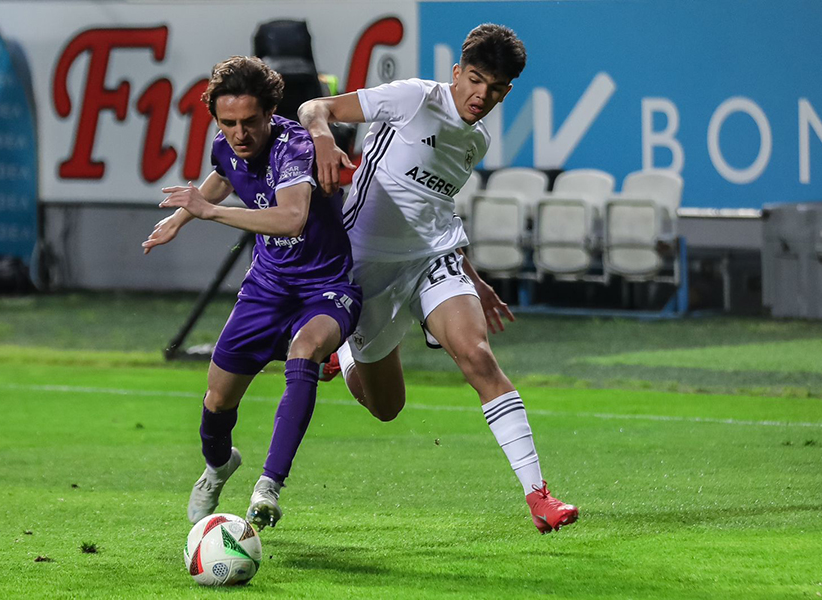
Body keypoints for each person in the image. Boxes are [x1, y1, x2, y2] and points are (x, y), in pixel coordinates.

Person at [298, 24, 578, 534]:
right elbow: (314, 107)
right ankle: (346, 354)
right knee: (387, 408)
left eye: (495, 88)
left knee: (478, 356)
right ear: (457, 72)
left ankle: (539, 497)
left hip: (433, 261)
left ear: (507, 91)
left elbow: (436, 209)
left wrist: (474, 277)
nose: (481, 96)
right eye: (475, 80)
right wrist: (322, 138)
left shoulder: (477, 139)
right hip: (367, 268)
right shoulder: (414, 99)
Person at [142, 56, 362, 530]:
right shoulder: (226, 145)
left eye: (249, 122)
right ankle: (219, 466)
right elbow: (223, 176)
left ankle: (268, 487)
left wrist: (207, 213)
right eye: (228, 123)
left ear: (269, 113)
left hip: (325, 285)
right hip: (266, 288)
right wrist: (179, 218)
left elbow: (292, 218)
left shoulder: (294, 147)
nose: (239, 134)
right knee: (217, 401)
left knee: (305, 350)